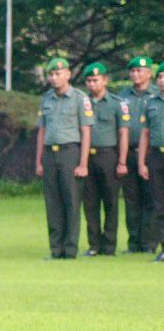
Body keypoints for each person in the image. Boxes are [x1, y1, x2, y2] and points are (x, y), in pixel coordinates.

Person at [35, 57, 92, 259]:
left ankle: (70, 249)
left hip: (70, 152)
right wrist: (39, 160)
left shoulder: (79, 98)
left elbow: (86, 132)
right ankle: (56, 249)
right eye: (51, 74)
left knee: (71, 201)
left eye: (58, 74)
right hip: (50, 153)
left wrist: (83, 163)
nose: (54, 78)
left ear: (68, 74)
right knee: (53, 203)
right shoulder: (46, 98)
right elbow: (42, 131)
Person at [79, 62, 127, 256]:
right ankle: (94, 245)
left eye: (95, 80)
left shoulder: (117, 103)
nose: (92, 84)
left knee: (111, 202)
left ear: (105, 80)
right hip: (86, 156)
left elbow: (123, 133)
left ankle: (109, 245)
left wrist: (122, 161)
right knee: (90, 202)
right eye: (89, 81)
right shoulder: (81, 102)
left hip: (108, 155)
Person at [120, 56, 156, 253]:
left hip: (152, 154)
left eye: (139, 71)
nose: (135, 74)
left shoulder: (157, 95)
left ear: (149, 73)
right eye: (132, 71)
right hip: (129, 152)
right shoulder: (123, 96)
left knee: (151, 198)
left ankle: (148, 243)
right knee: (131, 199)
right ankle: (134, 243)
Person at [138, 72, 164, 262]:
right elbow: (145, 134)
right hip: (156, 155)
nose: (162, 80)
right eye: (160, 77)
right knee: (159, 204)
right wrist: (142, 162)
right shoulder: (151, 103)